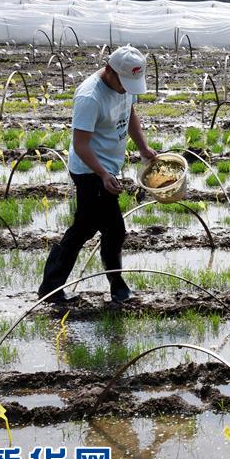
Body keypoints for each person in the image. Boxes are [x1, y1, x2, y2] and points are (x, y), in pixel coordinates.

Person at [38, 45, 158, 304]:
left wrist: (143, 147)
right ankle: (116, 287)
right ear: (109, 71)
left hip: (107, 168)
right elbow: (81, 145)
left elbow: (130, 113)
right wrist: (103, 174)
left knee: (87, 227)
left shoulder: (124, 87)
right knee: (111, 228)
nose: (127, 89)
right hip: (89, 169)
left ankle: (51, 287)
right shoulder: (90, 97)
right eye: (124, 83)